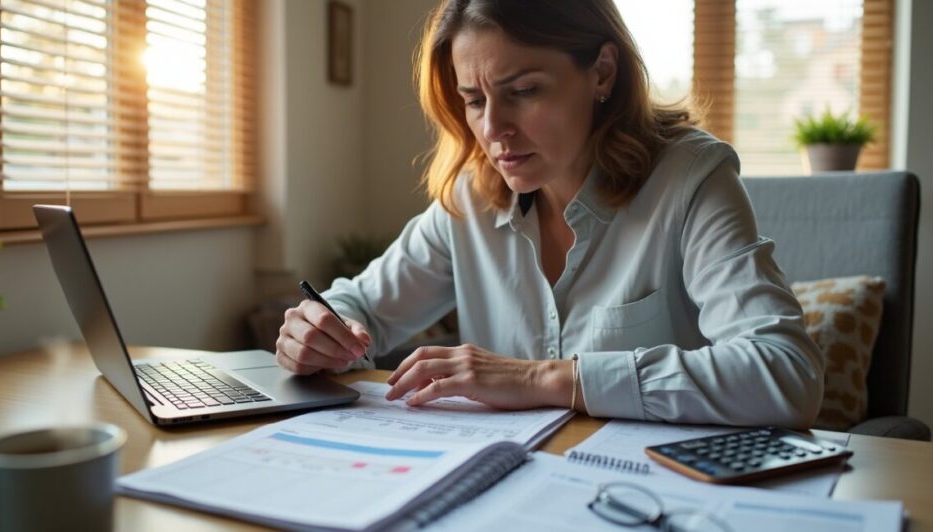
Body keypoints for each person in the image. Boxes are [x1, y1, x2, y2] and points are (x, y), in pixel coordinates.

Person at [275, 0, 823, 428]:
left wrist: (542, 379)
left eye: (524, 91)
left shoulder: (691, 178)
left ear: (602, 72)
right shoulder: (469, 198)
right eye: (474, 100)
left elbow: (785, 372)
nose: (494, 129)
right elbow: (361, 307)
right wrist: (320, 331)